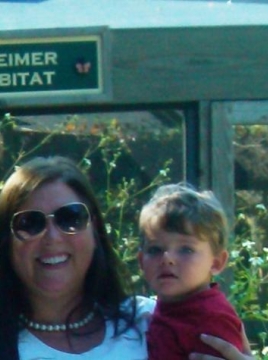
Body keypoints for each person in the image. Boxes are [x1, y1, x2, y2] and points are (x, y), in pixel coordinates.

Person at [0, 156, 253, 360]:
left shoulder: (154, 322)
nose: (52, 237)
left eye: (71, 218)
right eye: (30, 223)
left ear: (96, 230)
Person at [138, 183, 244, 360]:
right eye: (155, 249)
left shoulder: (211, 318)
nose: (167, 258)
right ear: (141, 261)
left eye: (186, 249)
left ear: (216, 262)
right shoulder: (156, 311)